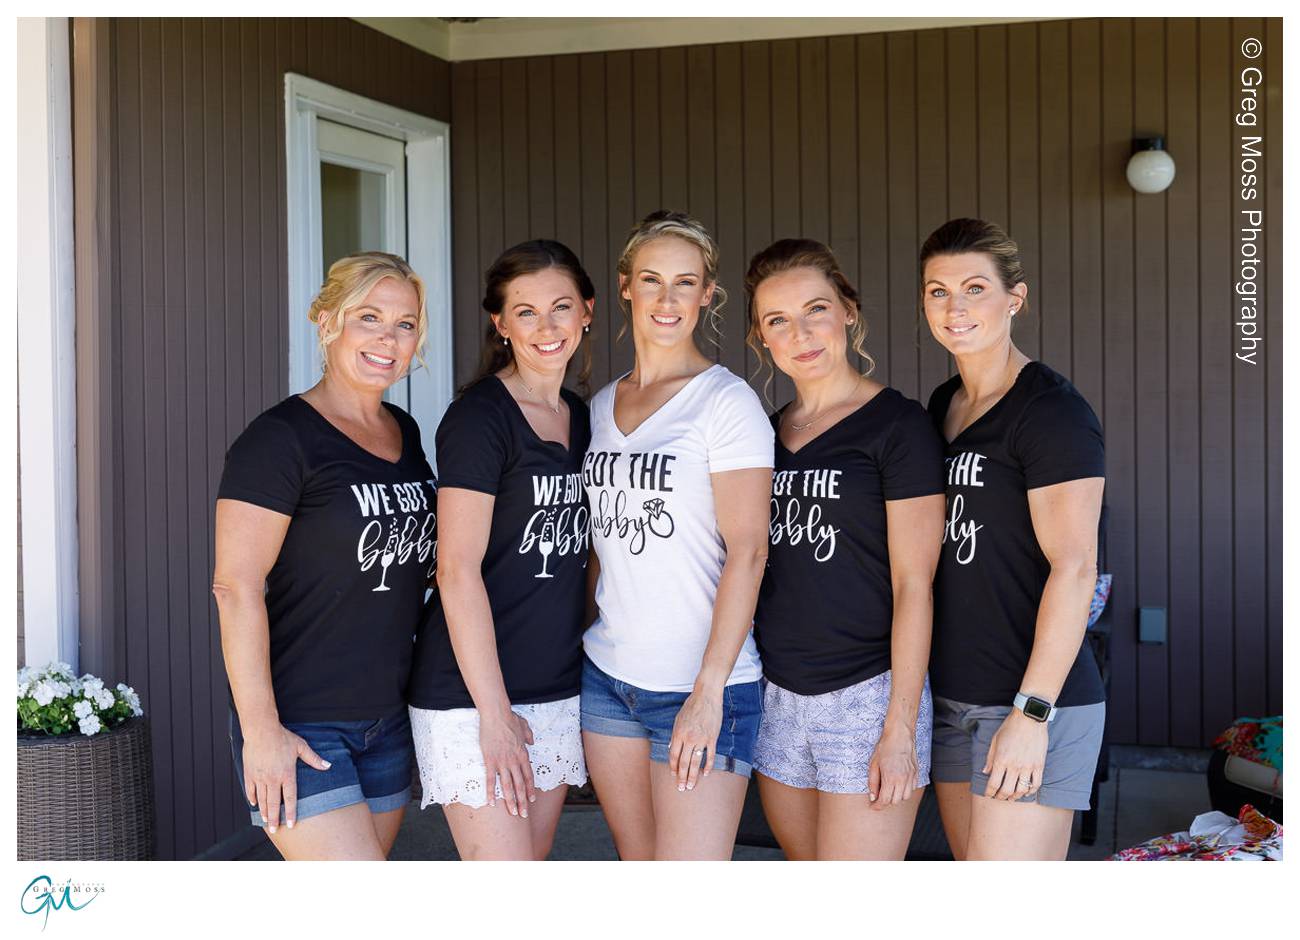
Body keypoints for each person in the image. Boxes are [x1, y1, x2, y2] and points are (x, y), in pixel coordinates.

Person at [213, 252, 436, 860]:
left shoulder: (404, 431)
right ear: (326, 322)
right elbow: (235, 586)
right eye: (369, 317)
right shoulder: (279, 440)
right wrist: (260, 731)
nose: (388, 339)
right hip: (302, 722)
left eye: (406, 323)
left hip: (386, 719)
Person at [580, 210, 773, 860]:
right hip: (608, 678)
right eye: (653, 280)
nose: (667, 299)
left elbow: (749, 550)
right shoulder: (600, 407)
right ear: (626, 286)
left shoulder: (726, 403)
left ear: (707, 295)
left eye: (685, 283)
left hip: (703, 687)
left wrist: (709, 690)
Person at [743, 239, 945, 860]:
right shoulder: (761, 432)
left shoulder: (898, 425)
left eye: (816, 310)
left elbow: (916, 585)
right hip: (777, 691)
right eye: (778, 320)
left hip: (867, 693)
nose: (800, 333)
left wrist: (900, 728)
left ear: (849, 311)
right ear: (762, 337)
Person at [921, 218, 1107, 861]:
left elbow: (1077, 567)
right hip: (951, 699)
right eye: (938, 291)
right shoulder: (942, 404)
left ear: (1015, 299)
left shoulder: (1051, 411)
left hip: (1031, 702)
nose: (956, 307)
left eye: (975, 288)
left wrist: (1031, 716)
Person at [406, 240, 595, 860]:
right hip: (475, 695)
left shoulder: (583, 416)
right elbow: (455, 570)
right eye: (526, 312)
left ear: (588, 312)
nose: (547, 327)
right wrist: (494, 714)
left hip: (556, 685)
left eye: (561, 307)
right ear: (501, 323)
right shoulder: (479, 418)